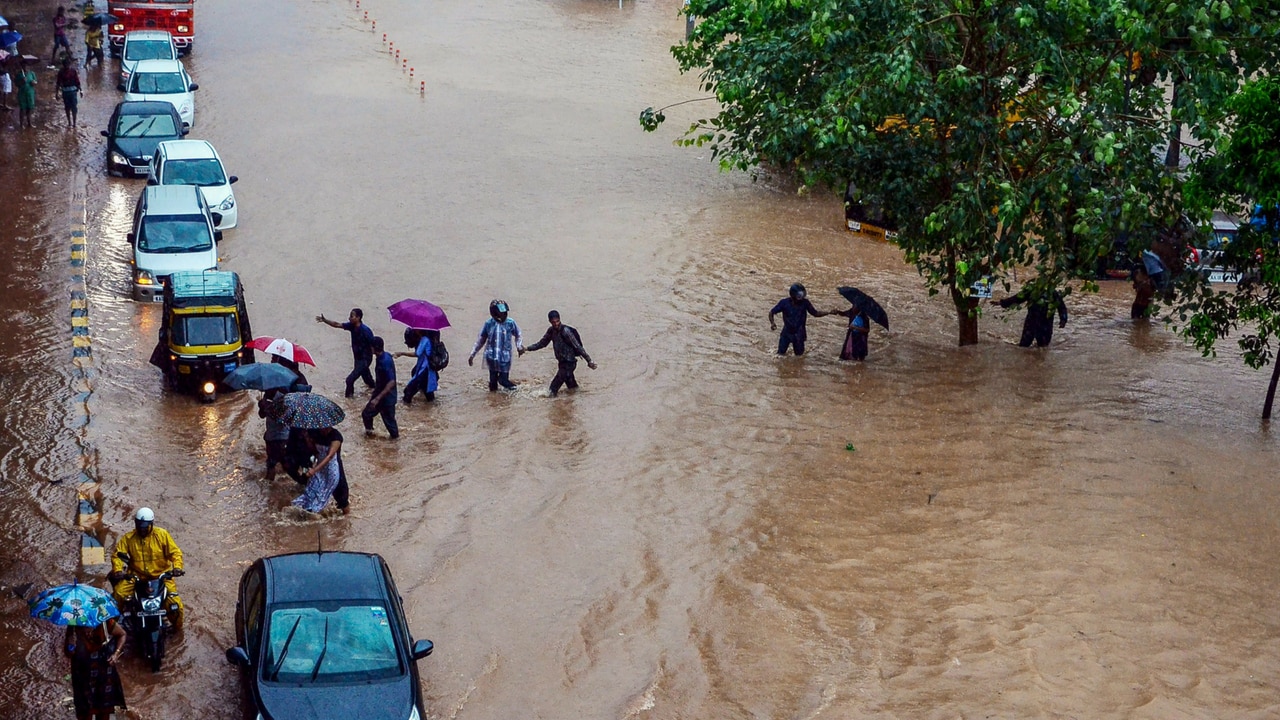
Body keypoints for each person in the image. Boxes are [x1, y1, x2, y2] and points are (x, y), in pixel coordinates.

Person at [109, 508, 185, 628]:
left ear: (151, 524)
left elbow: (175, 553)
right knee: (118, 594)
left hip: (161, 576)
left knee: (176, 606)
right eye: (139, 526)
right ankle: (111, 626)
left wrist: (177, 568)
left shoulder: (162, 535)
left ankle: (176, 630)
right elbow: (117, 555)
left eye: (145, 527)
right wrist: (118, 570)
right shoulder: (128, 538)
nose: (142, 529)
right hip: (136, 576)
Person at [65, 617, 127, 720]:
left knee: (104, 707)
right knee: (84, 707)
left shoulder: (105, 621)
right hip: (82, 673)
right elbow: (67, 653)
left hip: (103, 671)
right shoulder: (73, 624)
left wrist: (116, 653)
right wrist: (70, 644)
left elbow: (122, 634)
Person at [525, 310, 597, 396]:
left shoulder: (566, 331)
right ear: (550, 322)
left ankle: (555, 407)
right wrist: (527, 349)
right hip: (561, 363)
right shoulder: (551, 331)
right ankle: (577, 401)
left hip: (569, 363)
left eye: (557, 321)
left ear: (560, 319)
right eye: (553, 322)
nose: (555, 324)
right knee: (572, 387)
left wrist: (589, 360)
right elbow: (542, 343)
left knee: (552, 390)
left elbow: (578, 347)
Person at [316, 308, 375, 397]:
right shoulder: (351, 326)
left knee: (349, 380)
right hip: (358, 358)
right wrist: (325, 320)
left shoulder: (365, 331)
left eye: (351, 316)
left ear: (358, 318)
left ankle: (349, 400)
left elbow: (373, 345)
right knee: (367, 380)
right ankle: (376, 389)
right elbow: (337, 324)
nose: (349, 318)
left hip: (364, 360)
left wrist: (377, 357)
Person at [291, 427, 350, 515]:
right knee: (312, 491)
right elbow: (314, 451)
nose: (324, 429)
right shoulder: (314, 432)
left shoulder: (336, 436)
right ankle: (309, 515)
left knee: (341, 495)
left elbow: (329, 456)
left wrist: (314, 470)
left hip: (333, 468)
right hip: (319, 467)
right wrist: (307, 439)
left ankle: (346, 518)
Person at [468, 299, 524, 391]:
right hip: (491, 357)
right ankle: (494, 402)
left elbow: (518, 335)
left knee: (503, 380)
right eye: (501, 314)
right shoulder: (488, 324)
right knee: (492, 382)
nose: (503, 315)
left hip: (505, 357)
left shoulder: (510, 323)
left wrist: (519, 346)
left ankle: (517, 390)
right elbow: (480, 340)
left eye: (504, 313)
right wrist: (472, 354)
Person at [769, 283, 829, 356]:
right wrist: (772, 323)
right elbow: (771, 312)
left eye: (803, 294)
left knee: (799, 357)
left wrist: (829, 312)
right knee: (779, 355)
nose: (802, 297)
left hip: (799, 334)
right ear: (793, 295)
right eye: (800, 295)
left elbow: (815, 313)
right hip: (786, 333)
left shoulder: (805, 303)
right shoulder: (784, 303)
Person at [998, 287, 1068, 347]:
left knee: (1043, 348)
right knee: (1024, 347)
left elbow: (1061, 307)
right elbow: (1017, 298)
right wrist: (1002, 303)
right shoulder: (1032, 291)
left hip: (1045, 326)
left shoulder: (1053, 293)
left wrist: (1063, 320)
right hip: (1032, 324)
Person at [362, 336, 398, 438]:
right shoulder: (384, 356)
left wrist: (377, 398)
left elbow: (391, 382)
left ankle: (395, 445)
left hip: (386, 399)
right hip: (379, 394)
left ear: (373, 348)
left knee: (390, 424)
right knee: (366, 414)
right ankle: (370, 434)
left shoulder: (384, 361)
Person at [398, 328, 438, 404]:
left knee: (408, 392)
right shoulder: (427, 339)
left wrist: (402, 353)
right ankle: (433, 411)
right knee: (429, 395)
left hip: (424, 370)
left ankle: (407, 410)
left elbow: (417, 353)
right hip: (427, 370)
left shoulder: (424, 340)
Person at [258, 390, 290, 480]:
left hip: (282, 437)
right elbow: (262, 415)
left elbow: (282, 419)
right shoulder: (266, 396)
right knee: (271, 463)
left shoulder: (283, 398)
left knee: (281, 463)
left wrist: (268, 407)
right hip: (270, 437)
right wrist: (261, 407)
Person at [56, 55, 80, 127]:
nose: (67, 66)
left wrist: (80, 89)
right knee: (68, 107)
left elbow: (77, 81)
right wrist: (56, 93)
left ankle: (74, 123)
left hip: (72, 91)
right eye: (66, 65)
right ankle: (70, 122)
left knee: (73, 107)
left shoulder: (73, 71)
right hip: (67, 92)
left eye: (68, 65)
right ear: (64, 65)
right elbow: (58, 83)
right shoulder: (61, 72)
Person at [14, 56, 36, 129]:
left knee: (30, 109)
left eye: (27, 66)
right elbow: (16, 84)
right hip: (22, 94)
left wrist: (34, 83)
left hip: (30, 93)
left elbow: (35, 81)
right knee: (22, 109)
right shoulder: (19, 75)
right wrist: (21, 81)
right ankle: (21, 124)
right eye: (24, 66)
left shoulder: (32, 73)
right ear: (22, 66)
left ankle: (30, 123)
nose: (26, 67)